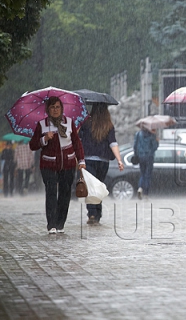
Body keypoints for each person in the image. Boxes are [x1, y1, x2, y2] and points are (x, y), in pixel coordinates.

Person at [29, 96, 86, 235]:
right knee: (51, 193)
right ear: (48, 109)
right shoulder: (42, 124)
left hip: (68, 163)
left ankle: (61, 223)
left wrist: (82, 161)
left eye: (58, 107)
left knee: (65, 194)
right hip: (48, 164)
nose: (55, 110)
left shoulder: (69, 123)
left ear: (62, 108)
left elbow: (76, 143)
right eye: (52, 107)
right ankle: (51, 224)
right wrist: (44, 139)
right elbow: (33, 145)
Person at [79, 102, 124, 224]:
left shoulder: (86, 123)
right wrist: (119, 160)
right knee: (98, 186)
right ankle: (97, 213)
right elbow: (113, 143)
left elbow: (79, 139)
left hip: (88, 160)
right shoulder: (108, 126)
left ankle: (92, 213)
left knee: (91, 187)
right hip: (103, 162)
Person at [133, 126, 159, 200]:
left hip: (141, 157)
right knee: (148, 175)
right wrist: (156, 141)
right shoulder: (152, 135)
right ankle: (146, 194)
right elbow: (154, 147)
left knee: (142, 174)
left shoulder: (138, 134)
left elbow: (135, 145)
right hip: (149, 157)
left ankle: (140, 188)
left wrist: (136, 154)